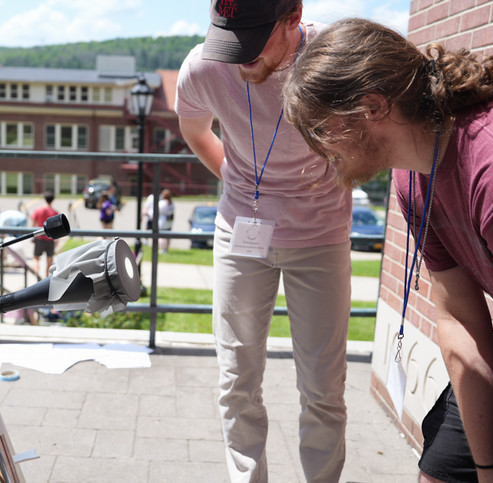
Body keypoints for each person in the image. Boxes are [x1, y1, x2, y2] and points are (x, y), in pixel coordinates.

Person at [282, 17, 493, 481]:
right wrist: (486, 468)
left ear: (371, 108)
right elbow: (460, 320)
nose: (318, 151)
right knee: (441, 472)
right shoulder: (413, 174)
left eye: (321, 132)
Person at [175, 1, 353, 480]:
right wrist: (241, 183)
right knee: (236, 379)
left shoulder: (335, 60)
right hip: (241, 230)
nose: (240, 57)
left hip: (321, 235)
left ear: (292, 17)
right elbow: (195, 130)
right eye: (230, 41)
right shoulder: (204, 67)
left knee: (322, 387)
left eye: (253, 42)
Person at [30, 191, 59, 279]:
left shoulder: (38, 210)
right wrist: (57, 240)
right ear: (53, 200)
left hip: (39, 237)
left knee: (36, 258)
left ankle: (37, 276)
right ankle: (46, 279)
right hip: (50, 239)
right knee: (49, 260)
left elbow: (33, 224)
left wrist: (32, 237)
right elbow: (57, 229)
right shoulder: (55, 213)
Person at [157, 188, 174, 253]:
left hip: (163, 221)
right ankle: (166, 249)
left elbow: (158, 211)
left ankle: (163, 249)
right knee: (168, 236)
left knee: (161, 236)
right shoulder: (171, 203)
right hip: (169, 221)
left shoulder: (162, 203)